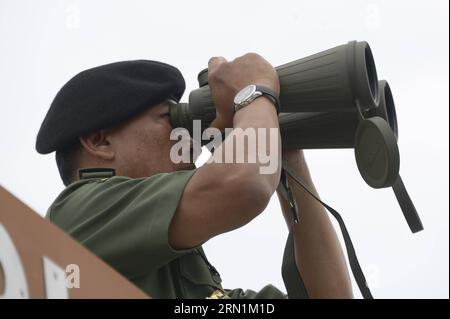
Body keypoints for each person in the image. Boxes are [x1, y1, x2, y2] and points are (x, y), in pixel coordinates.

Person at [36, 54, 352, 298]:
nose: (189, 136)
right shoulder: (77, 217)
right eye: (169, 118)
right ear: (99, 142)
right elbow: (244, 186)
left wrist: (286, 154)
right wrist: (253, 95)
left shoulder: (177, 266)